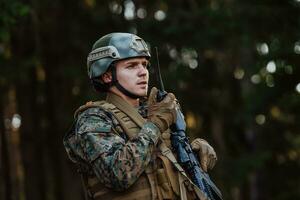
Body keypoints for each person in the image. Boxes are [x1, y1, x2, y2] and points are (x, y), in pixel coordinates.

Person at [63, 32, 217, 200]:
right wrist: (155, 125)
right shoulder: (94, 119)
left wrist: (194, 150)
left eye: (144, 65)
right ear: (107, 75)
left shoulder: (155, 111)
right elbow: (117, 174)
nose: (143, 72)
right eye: (131, 66)